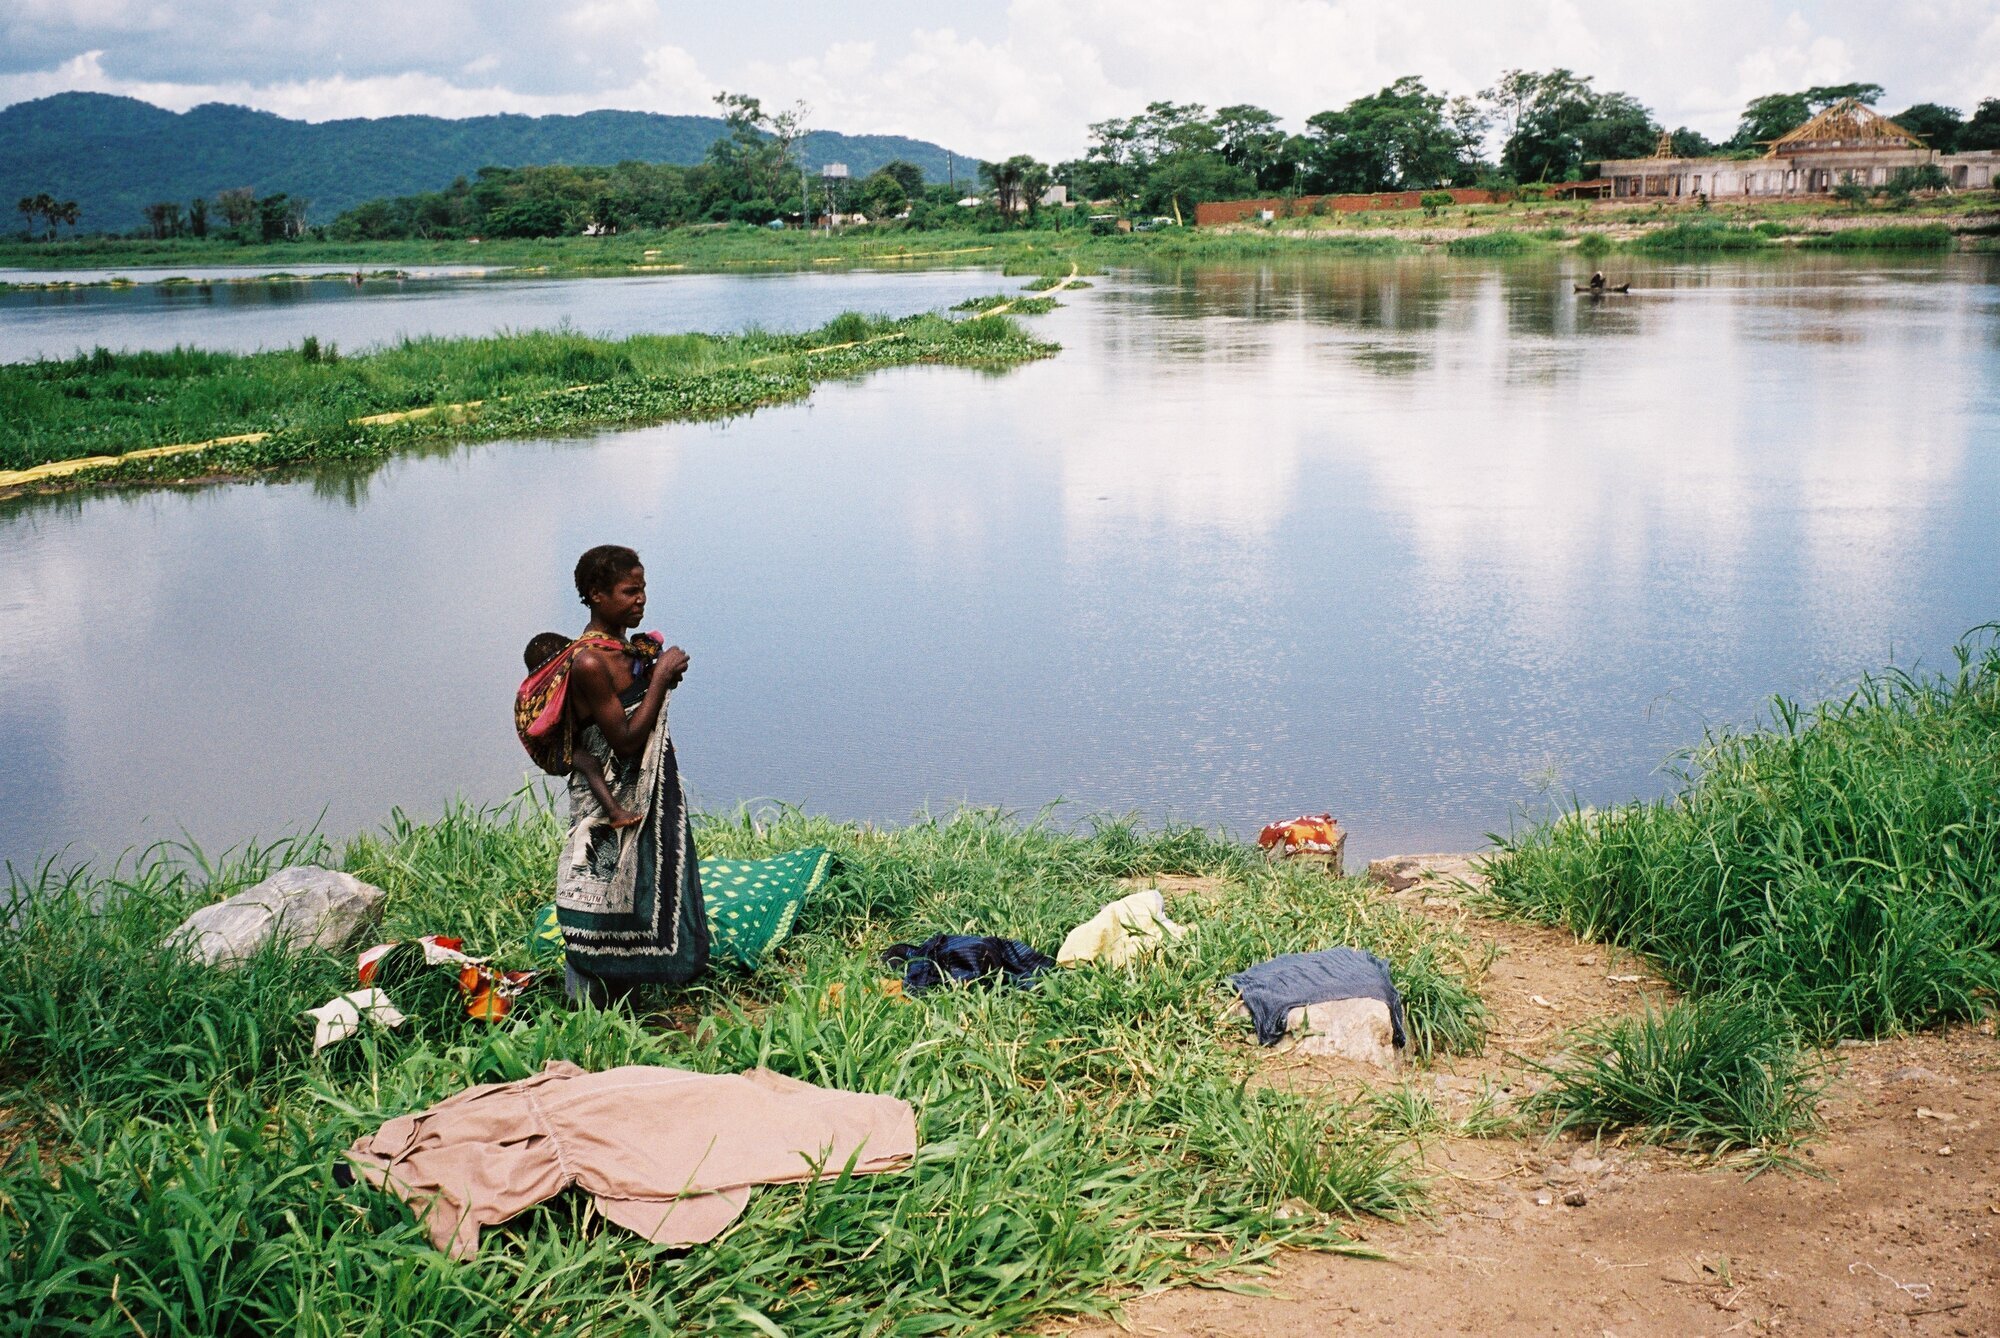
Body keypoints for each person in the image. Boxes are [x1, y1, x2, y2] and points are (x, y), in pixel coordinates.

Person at [549, 545, 707, 1005]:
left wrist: (656, 675)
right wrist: (659, 678)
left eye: (642, 589)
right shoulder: (591, 663)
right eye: (628, 591)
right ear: (596, 596)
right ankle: (585, 1001)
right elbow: (625, 742)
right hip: (606, 798)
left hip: (640, 791)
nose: (640, 599)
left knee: (637, 879)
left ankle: (627, 990)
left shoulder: (623, 650)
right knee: (596, 887)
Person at [522, 632, 642, 829]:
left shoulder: (540, 690)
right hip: (553, 750)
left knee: (590, 764)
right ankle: (614, 812)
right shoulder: (545, 695)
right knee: (591, 765)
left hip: (562, 741)